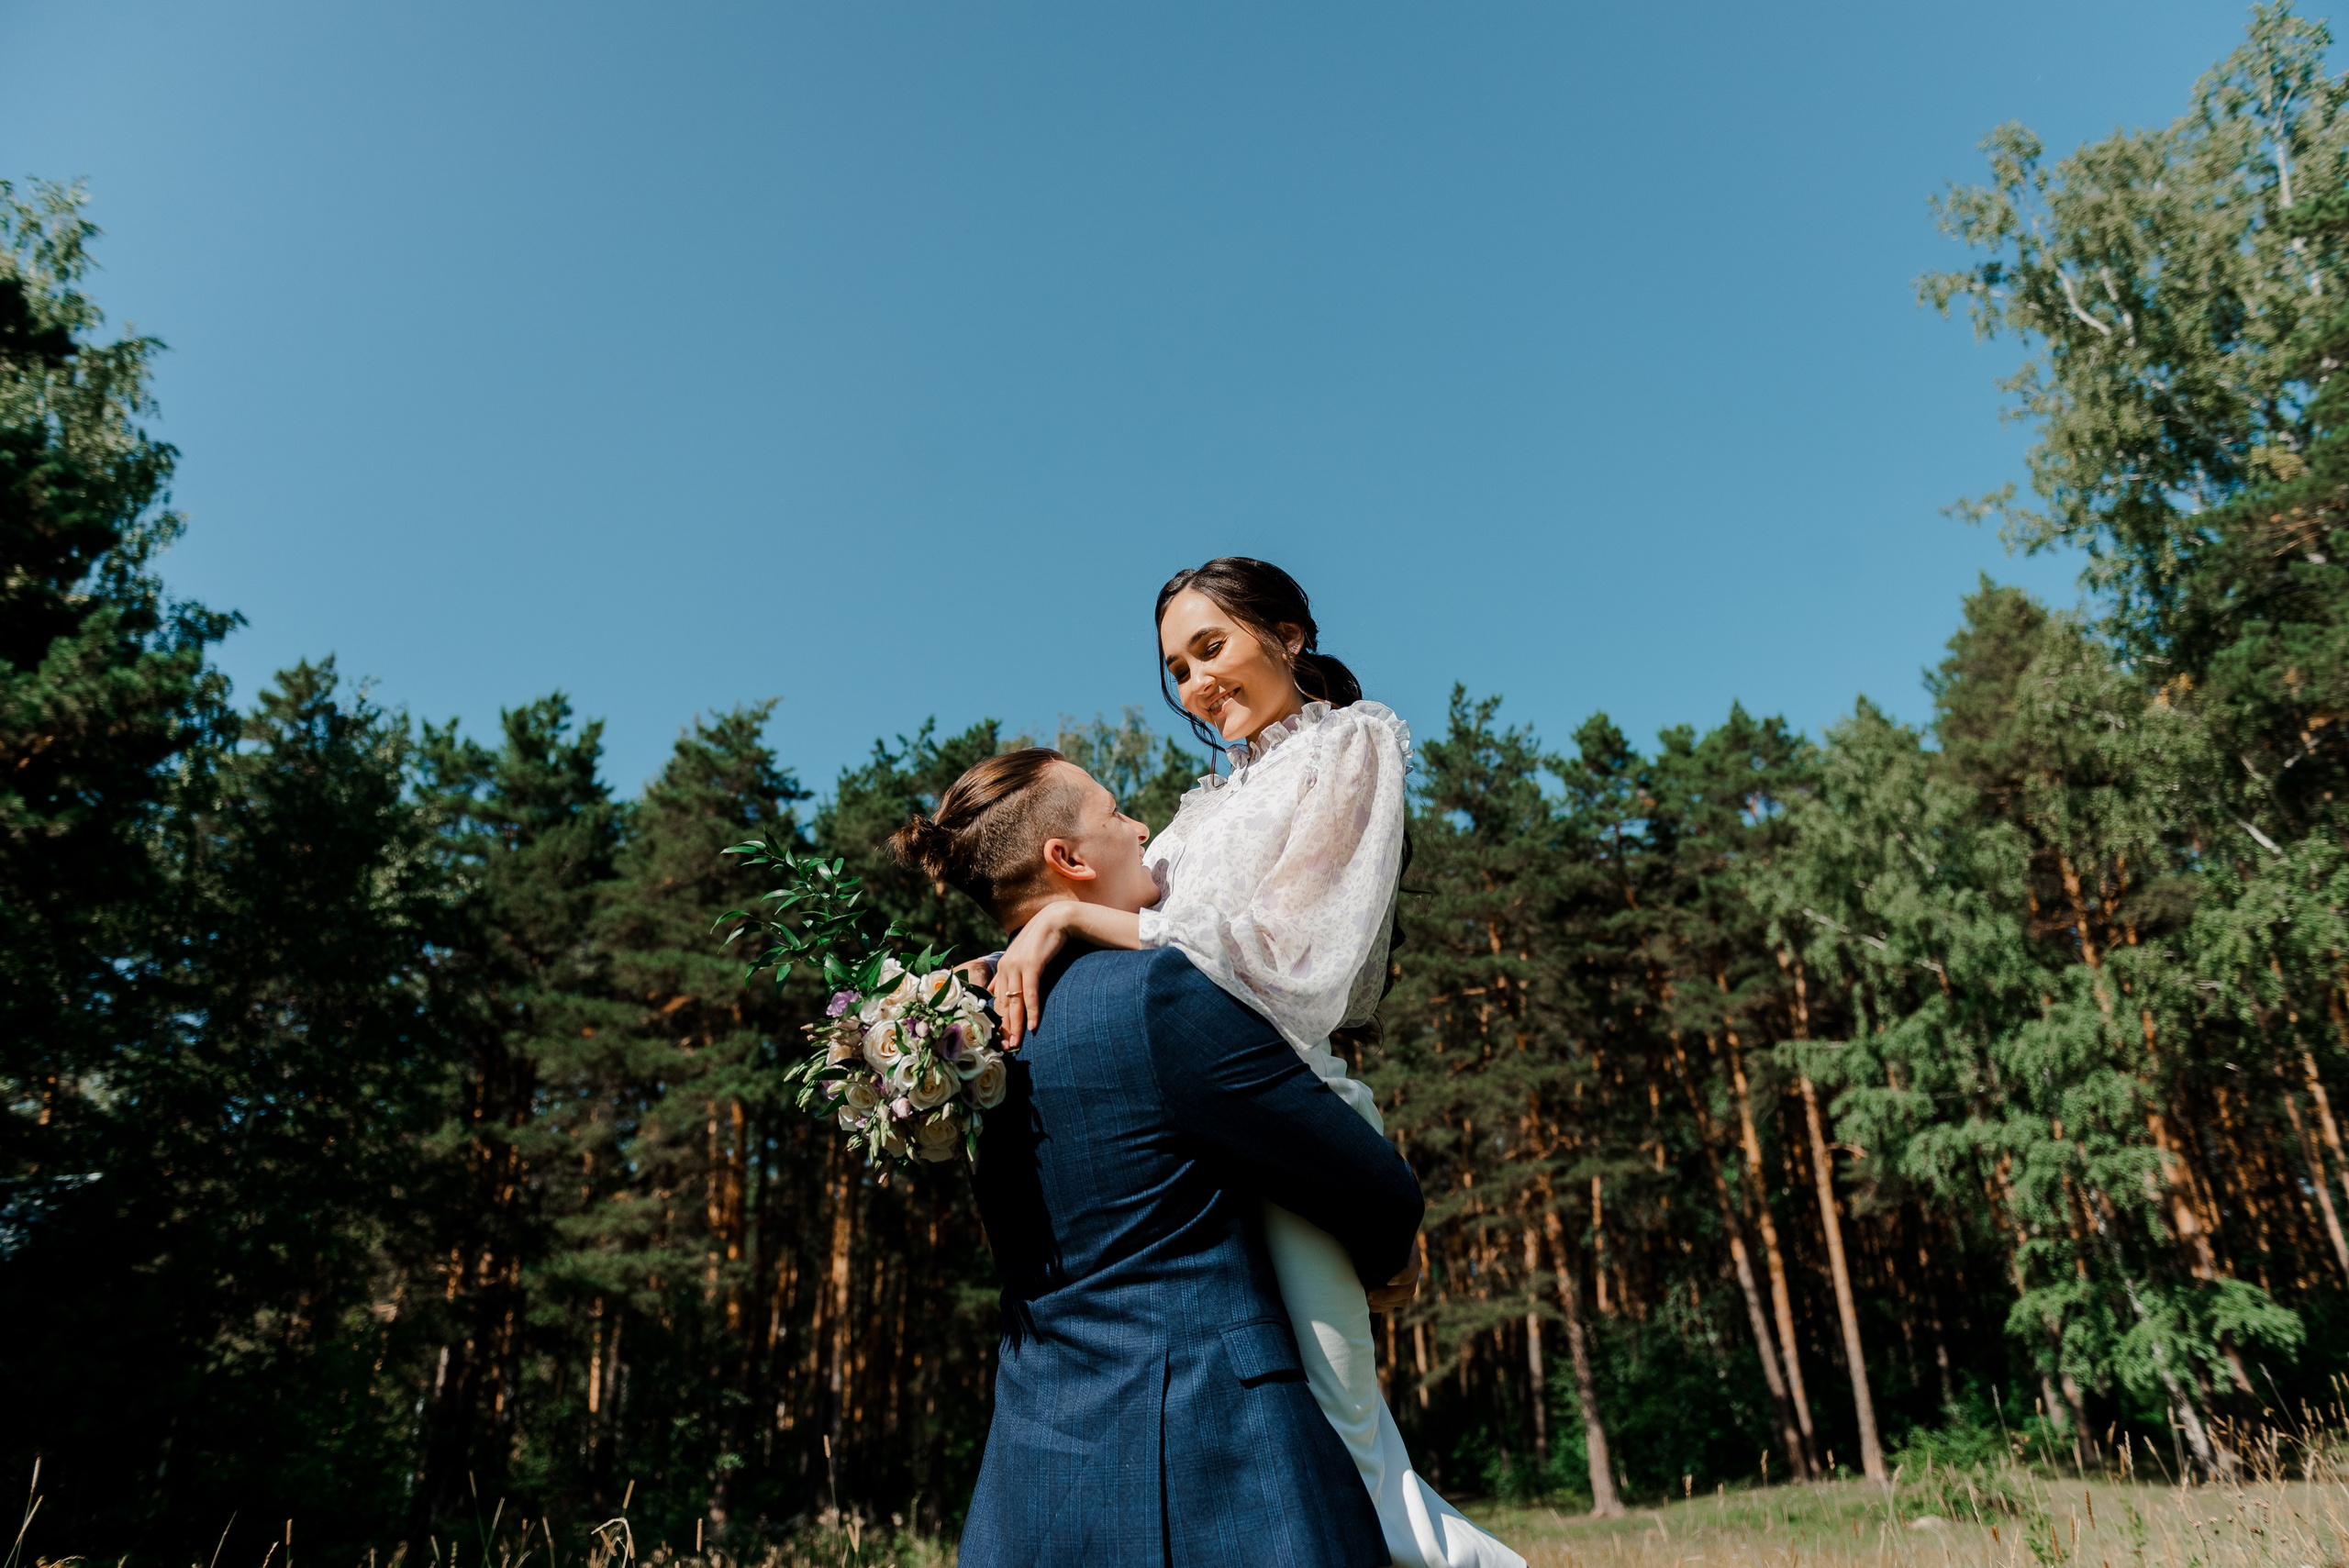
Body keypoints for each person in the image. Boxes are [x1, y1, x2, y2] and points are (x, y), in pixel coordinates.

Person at [986, 558, 1524, 1568]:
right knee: (1272, 1445)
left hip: (1280, 1113)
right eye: (1177, 667)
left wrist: (1066, 912)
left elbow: (1288, 953)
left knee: (1346, 1432)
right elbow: (1142, 935)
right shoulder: (1204, 806)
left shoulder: (1353, 745)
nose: (1196, 682)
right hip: (1189, 1145)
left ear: (1288, 632)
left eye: (1212, 646)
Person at [893, 749, 1424, 1565]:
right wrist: (1390, 1255)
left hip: (1036, 1467)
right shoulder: (1158, 995)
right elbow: (1366, 1182)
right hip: (1224, 1459)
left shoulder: (957, 1038)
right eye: (1115, 814)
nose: (1142, 827)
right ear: (1066, 859)